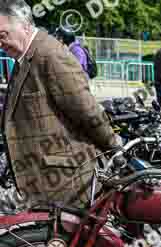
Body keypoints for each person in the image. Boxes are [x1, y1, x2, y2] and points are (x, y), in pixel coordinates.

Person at [0, 0, 119, 206]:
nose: (0, 43)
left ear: (25, 26)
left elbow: (88, 112)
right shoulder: (27, 56)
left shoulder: (51, 55)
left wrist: (114, 148)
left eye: (2, 35)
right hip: (46, 178)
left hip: (66, 182)